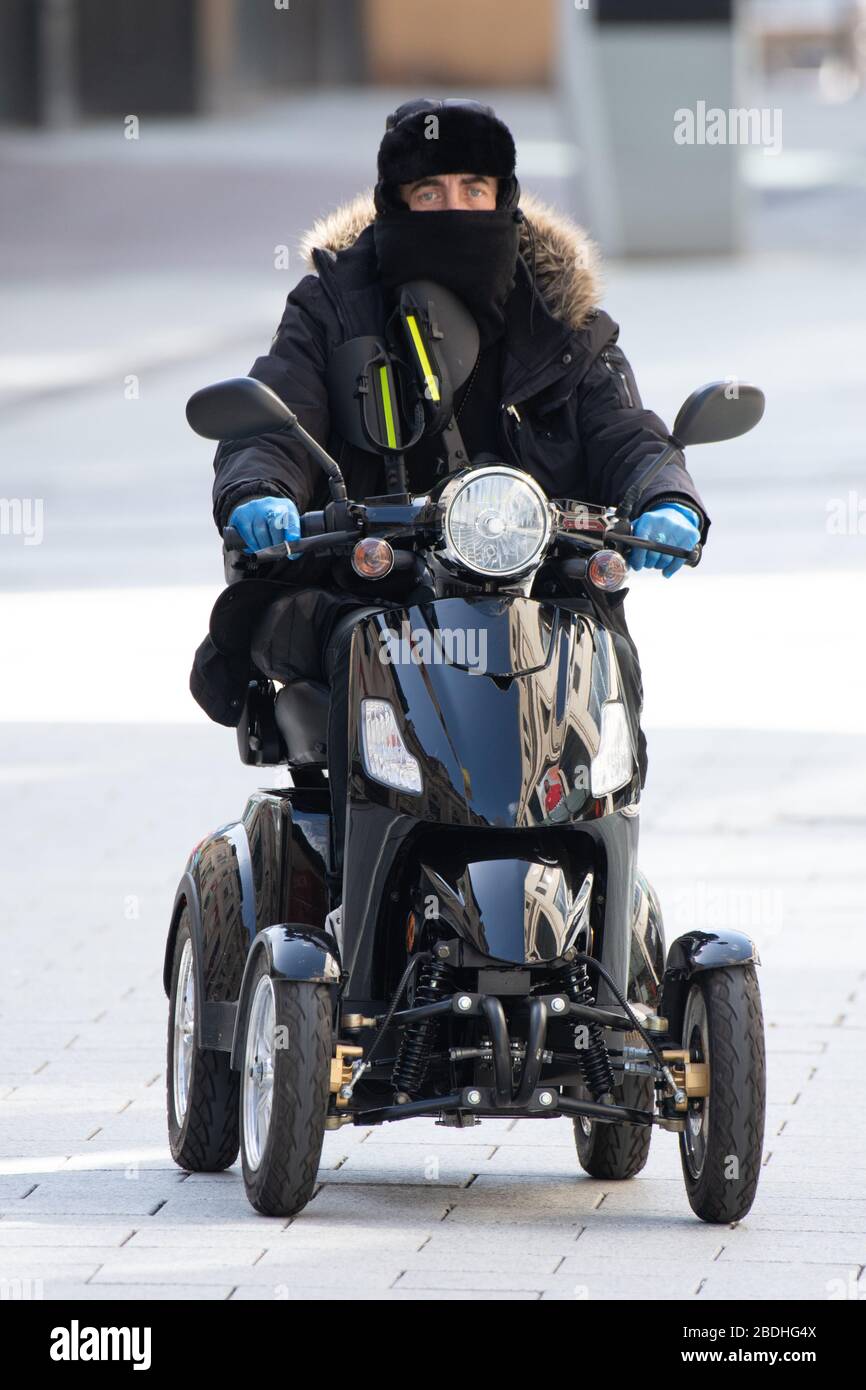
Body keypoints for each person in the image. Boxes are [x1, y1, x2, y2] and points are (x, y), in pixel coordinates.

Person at [192, 98, 708, 878]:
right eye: (429, 193)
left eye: (474, 188)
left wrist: (666, 493)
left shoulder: (559, 317)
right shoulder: (333, 304)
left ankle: (609, 899)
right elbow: (276, 416)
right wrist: (261, 491)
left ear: (504, 197)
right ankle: (353, 902)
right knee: (353, 642)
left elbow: (622, 428)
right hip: (376, 583)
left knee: (604, 653)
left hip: (541, 585)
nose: (454, 208)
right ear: (394, 202)